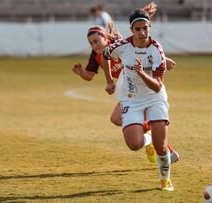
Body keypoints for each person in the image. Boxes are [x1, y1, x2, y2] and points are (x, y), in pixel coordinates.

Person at [72, 3, 179, 165]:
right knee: (117, 120)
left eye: (97, 40)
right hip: (128, 88)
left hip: (139, 86)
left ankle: (162, 149)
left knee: (119, 118)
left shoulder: (119, 44)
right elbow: (91, 73)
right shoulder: (97, 55)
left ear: (105, 37)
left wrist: (166, 59)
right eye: (91, 43)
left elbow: (144, 47)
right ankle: (152, 143)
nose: (95, 45)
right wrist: (82, 73)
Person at [101, 4, 175, 191]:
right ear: (131, 30)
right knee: (134, 144)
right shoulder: (123, 46)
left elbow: (157, 86)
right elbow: (105, 54)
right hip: (131, 98)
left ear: (150, 28)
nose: (142, 32)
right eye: (138, 29)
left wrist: (142, 74)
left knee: (162, 146)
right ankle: (147, 139)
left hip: (154, 97)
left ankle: (165, 180)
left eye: (145, 28)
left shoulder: (157, 51)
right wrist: (109, 80)